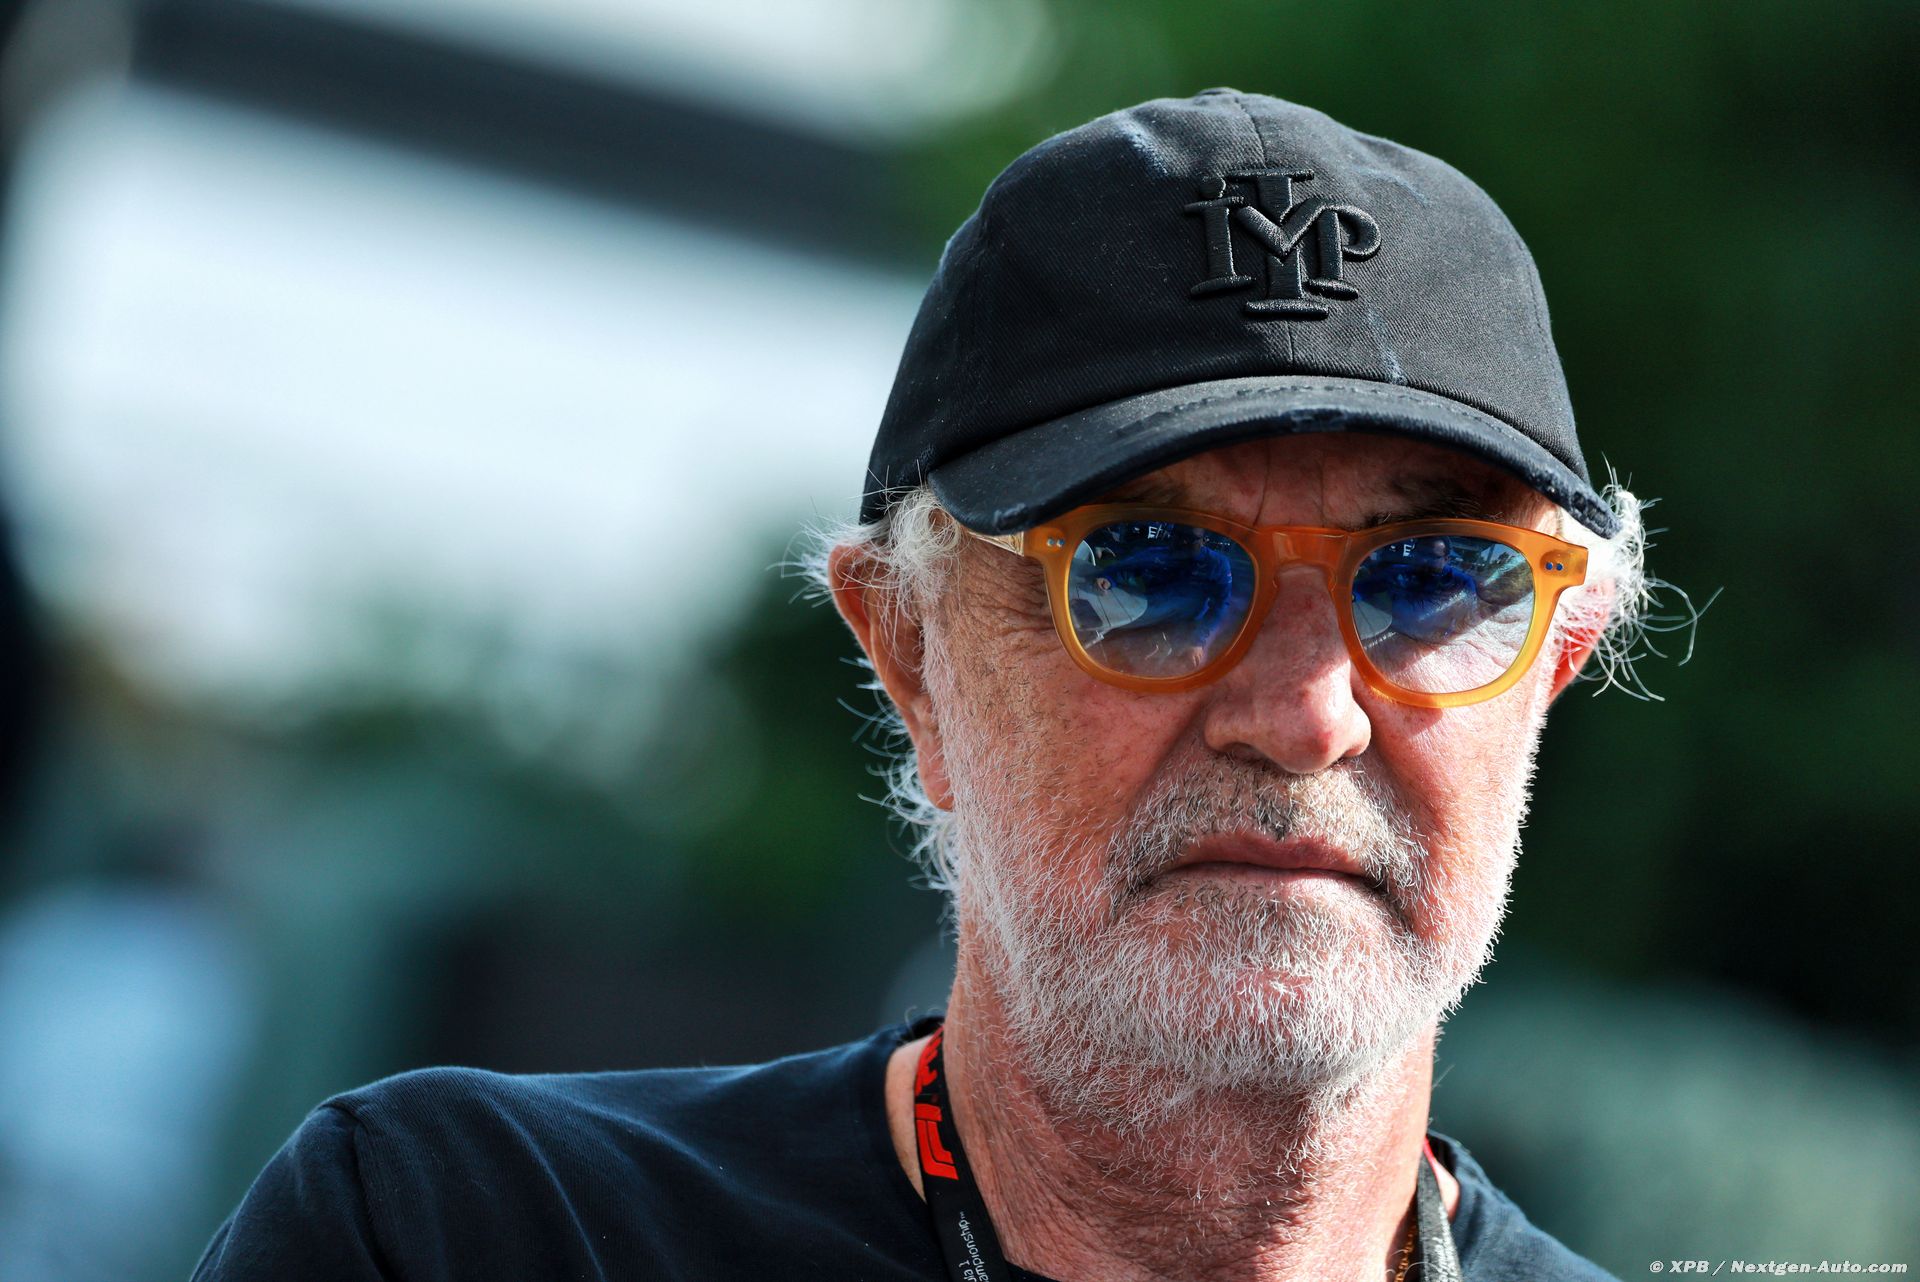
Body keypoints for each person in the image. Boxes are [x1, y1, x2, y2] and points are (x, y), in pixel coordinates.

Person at [194, 90, 1645, 1281]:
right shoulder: (464, 1235)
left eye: (1432, 585)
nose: (1308, 714)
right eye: (1148, 575)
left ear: (1554, 668)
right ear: (910, 654)